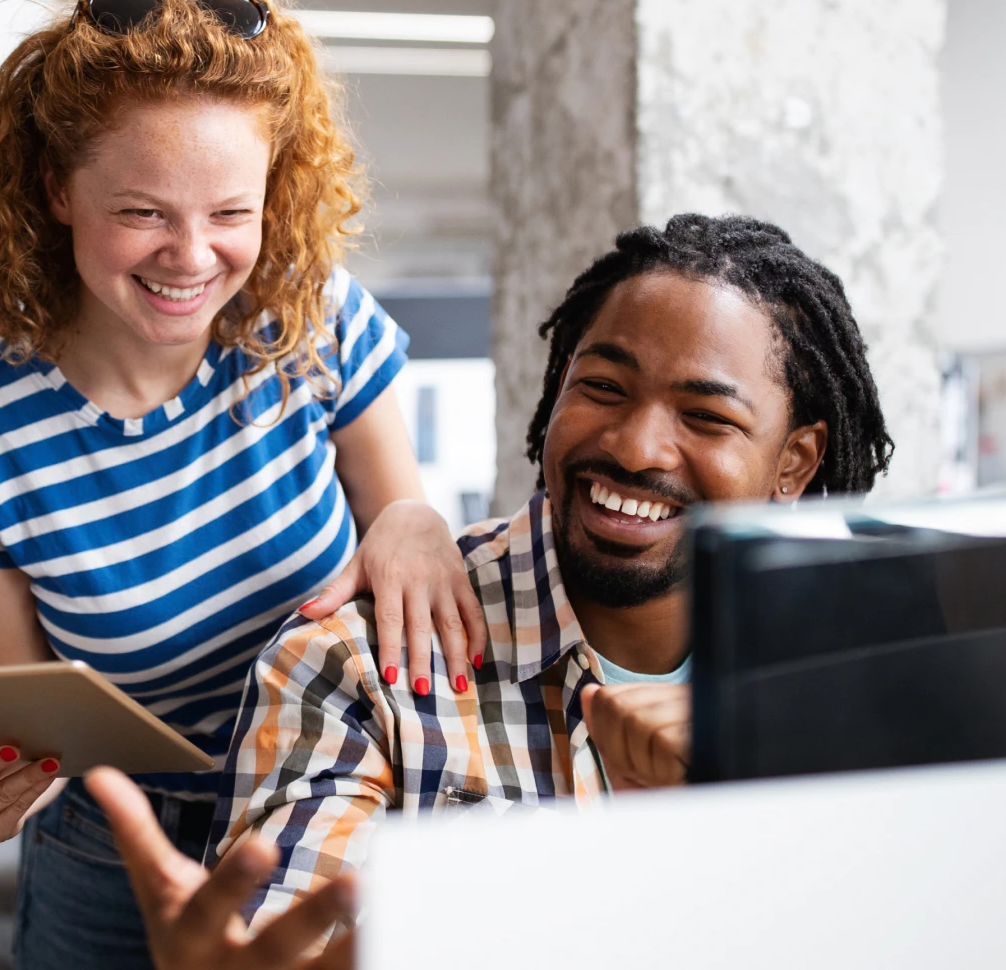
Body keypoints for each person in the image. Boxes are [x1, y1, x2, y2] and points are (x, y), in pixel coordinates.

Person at [85, 212, 898, 969]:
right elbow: (300, 924)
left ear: (793, 463)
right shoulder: (355, 663)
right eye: (604, 389)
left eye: (707, 418)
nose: (637, 444)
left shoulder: (859, 671)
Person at [0, 0, 481, 970]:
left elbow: (403, 529)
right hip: (120, 851)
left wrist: (417, 525)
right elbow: (36, 713)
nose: (192, 256)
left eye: (230, 213)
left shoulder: (313, 324)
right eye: (142, 212)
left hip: (340, 809)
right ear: (57, 192)